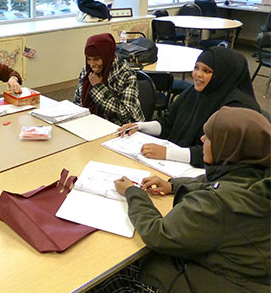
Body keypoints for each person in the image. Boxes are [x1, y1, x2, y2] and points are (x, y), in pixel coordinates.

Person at [110, 106, 270, 293]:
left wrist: (132, 193)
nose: (202, 139)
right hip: (245, 279)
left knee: (112, 272)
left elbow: (159, 234)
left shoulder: (217, 204)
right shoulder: (258, 173)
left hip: (207, 280)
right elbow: (216, 181)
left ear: (229, 148)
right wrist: (174, 185)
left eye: (209, 137)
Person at [117, 46, 260, 168]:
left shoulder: (237, 108)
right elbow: (168, 123)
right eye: (196, 68)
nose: (197, 75)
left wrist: (167, 153)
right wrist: (140, 126)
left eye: (207, 71)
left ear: (223, 75)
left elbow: (218, 153)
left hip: (207, 174)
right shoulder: (196, 92)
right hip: (176, 164)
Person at [73, 33, 144, 125]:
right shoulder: (86, 71)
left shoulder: (126, 74)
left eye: (96, 59)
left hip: (123, 128)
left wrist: (98, 88)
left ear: (107, 56)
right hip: (91, 125)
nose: (92, 64)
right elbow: (77, 102)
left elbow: (124, 113)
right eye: (88, 59)